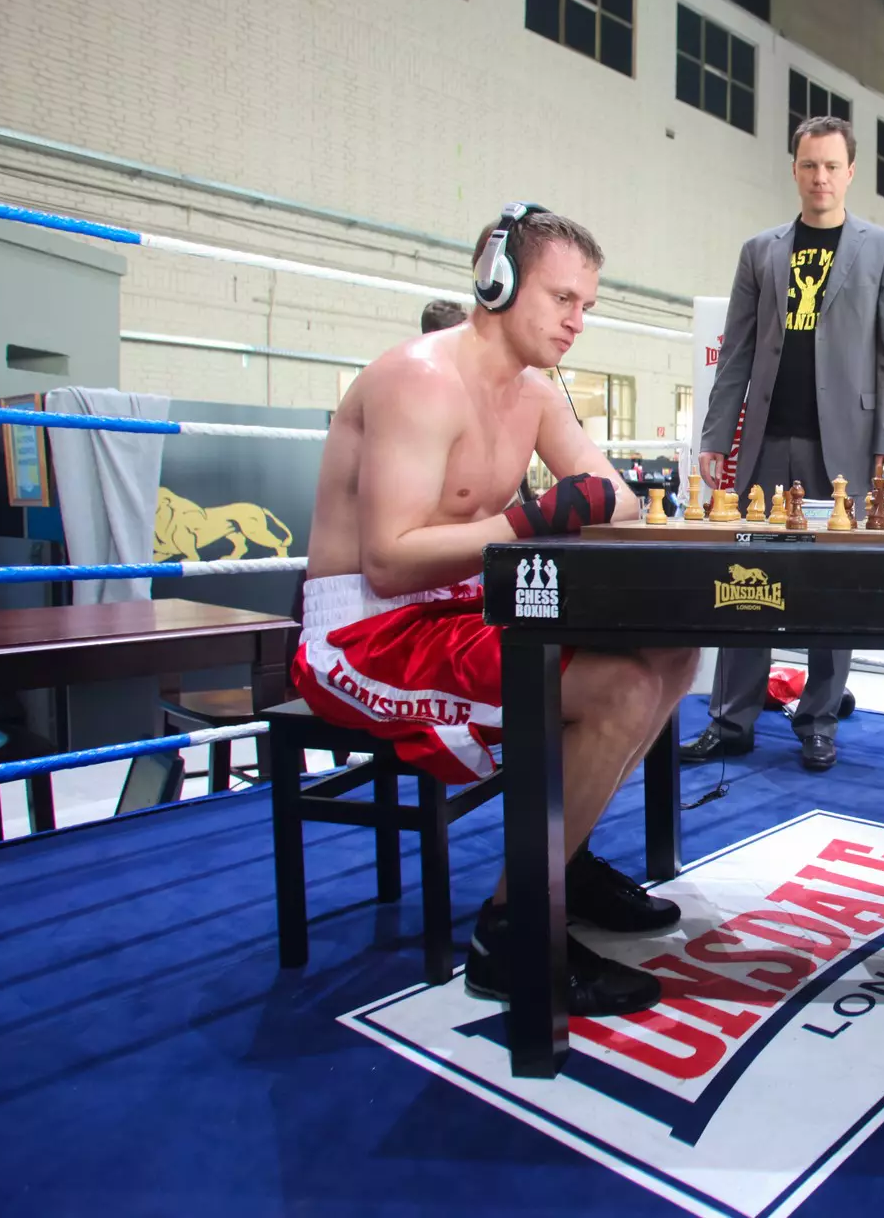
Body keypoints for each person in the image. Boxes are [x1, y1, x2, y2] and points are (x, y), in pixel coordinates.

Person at [293, 205, 698, 1017]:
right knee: (617, 690)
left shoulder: (536, 393)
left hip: (464, 601)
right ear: (498, 281)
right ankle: (511, 932)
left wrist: (582, 503)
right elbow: (389, 556)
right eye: (562, 299)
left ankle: (564, 856)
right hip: (366, 630)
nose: (578, 321)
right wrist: (531, 519)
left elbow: (609, 494)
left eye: (587, 304)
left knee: (675, 653)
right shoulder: (418, 379)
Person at [687, 115, 884, 773]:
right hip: (764, 440)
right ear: (794, 169)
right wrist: (714, 430)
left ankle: (818, 719)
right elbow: (734, 351)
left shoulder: (883, 249)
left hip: (842, 445)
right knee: (743, 579)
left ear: (850, 172)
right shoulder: (760, 251)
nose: (820, 177)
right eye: (808, 165)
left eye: (831, 166)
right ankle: (731, 718)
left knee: (831, 585)